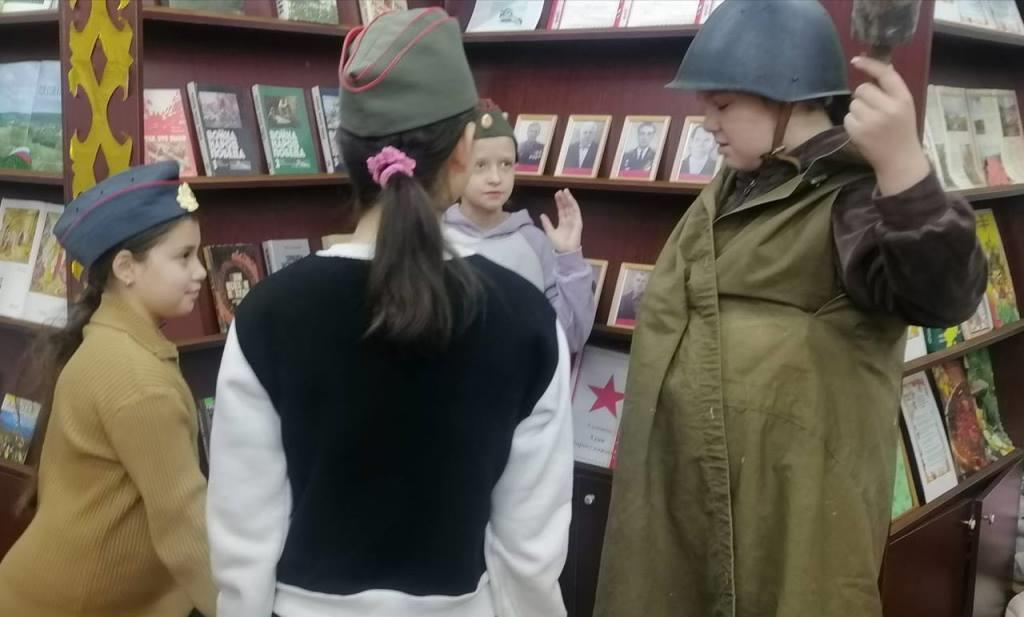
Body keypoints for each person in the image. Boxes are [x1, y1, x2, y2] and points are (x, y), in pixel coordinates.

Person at [594, 2, 987, 617]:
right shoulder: (742, 183)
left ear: (788, 96)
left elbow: (944, 295)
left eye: (723, 104)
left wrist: (903, 171)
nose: (706, 121)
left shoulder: (854, 203)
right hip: (687, 493)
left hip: (781, 514)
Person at [206, 8, 573, 617]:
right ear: (464, 151)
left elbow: (243, 542)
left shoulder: (266, 315)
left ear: (346, 152)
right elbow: (529, 555)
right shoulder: (528, 321)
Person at [0, 161, 217, 617]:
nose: (200, 271)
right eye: (183, 257)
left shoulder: (106, 341)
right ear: (126, 268)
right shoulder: (138, 380)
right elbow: (184, 527)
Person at [444, 101, 596, 353]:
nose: (496, 178)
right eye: (480, 165)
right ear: (456, 168)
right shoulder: (432, 236)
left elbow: (569, 337)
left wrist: (569, 257)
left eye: (506, 164)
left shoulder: (535, 243)